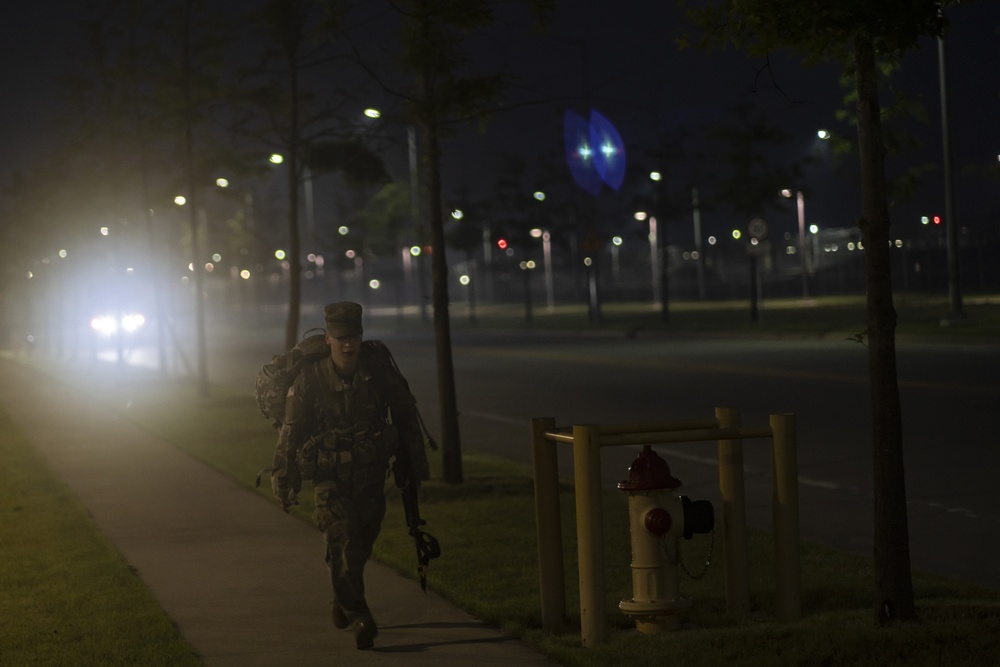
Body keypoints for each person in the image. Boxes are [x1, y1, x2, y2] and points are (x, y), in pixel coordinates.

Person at [270, 301, 430, 650]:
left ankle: (341, 598)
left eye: (354, 336)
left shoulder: (378, 373)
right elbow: (290, 432)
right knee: (343, 542)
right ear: (328, 338)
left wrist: (414, 467)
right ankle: (361, 617)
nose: (348, 344)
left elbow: (405, 417)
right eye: (341, 337)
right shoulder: (310, 379)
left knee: (359, 547)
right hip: (330, 480)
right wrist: (284, 480)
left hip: (371, 478)